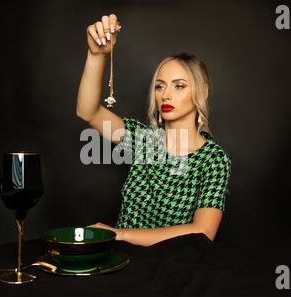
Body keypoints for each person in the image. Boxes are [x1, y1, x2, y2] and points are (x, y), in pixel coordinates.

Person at [77, 14, 231, 247]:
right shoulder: (144, 141)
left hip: (173, 267)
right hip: (121, 260)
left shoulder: (214, 160)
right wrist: (96, 55)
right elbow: (88, 112)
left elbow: (203, 232)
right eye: (160, 86)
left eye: (179, 86)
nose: (166, 95)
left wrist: (119, 234)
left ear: (203, 91)